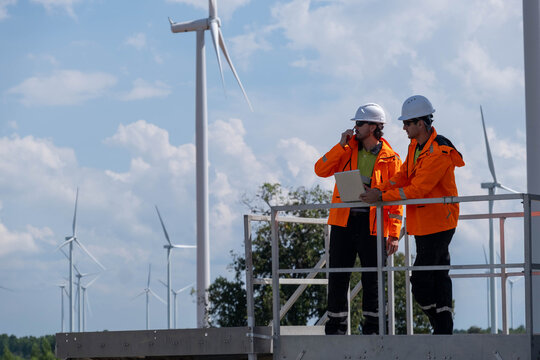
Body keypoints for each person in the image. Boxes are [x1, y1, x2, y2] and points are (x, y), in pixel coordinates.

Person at [361, 95, 465, 335]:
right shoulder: (416, 147)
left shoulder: (439, 151)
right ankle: (443, 328)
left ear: (421, 123)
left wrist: (382, 197)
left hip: (439, 221)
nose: (404, 127)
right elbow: (404, 176)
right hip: (423, 222)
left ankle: (442, 326)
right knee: (437, 276)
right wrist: (380, 189)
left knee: (421, 281)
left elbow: (419, 189)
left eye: (408, 123)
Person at [314, 103, 403, 335]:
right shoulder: (346, 149)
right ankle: (335, 327)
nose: (355, 127)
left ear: (374, 127)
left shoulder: (392, 159)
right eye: (356, 123)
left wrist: (394, 234)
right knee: (337, 276)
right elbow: (320, 169)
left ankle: (373, 329)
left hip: (373, 224)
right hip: (343, 221)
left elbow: (395, 202)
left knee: (373, 278)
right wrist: (340, 146)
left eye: (360, 123)